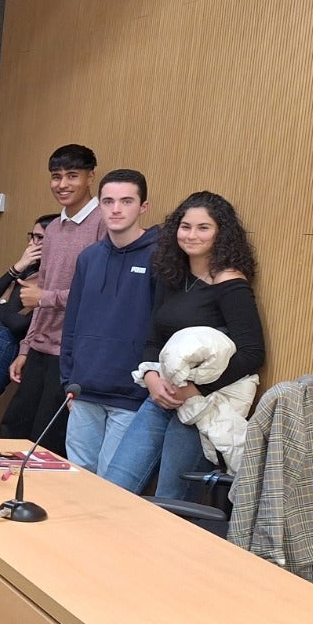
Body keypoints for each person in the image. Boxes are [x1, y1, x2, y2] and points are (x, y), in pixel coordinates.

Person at [103, 192, 264, 499]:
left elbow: (253, 353)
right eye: (185, 226)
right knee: (114, 484)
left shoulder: (229, 281)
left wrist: (194, 390)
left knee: (169, 498)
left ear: (221, 233)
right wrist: (151, 379)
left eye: (203, 228)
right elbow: (153, 339)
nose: (191, 235)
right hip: (160, 394)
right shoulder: (171, 275)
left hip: (202, 405)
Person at [2, 143, 105, 453]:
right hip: (40, 349)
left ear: (91, 176)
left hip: (73, 352)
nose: (62, 185)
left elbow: (98, 293)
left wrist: (46, 297)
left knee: (48, 443)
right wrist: (25, 347)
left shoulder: (102, 223)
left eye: (72, 175)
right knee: (13, 430)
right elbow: (39, 292)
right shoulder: (55, 228)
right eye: (56, 176)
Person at [60, 170, 159, 473]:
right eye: (108, 201)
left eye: (126, 201)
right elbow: (72, 322)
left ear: (143, 206)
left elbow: (162, 327)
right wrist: (68, 381)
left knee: (113, 486)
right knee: (78, 481)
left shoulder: (160, 257)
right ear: (100, 206)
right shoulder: (89, 257)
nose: (116, 209)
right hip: (84, 391)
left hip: (131, 396)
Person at [0, 214, 53, 434]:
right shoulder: (28, 269)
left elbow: (19, 324)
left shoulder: (48, 280)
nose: (31, 243)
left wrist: (2, 304)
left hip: (2, 345)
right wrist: (17, 267)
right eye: (32, 236)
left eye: (39, 238)